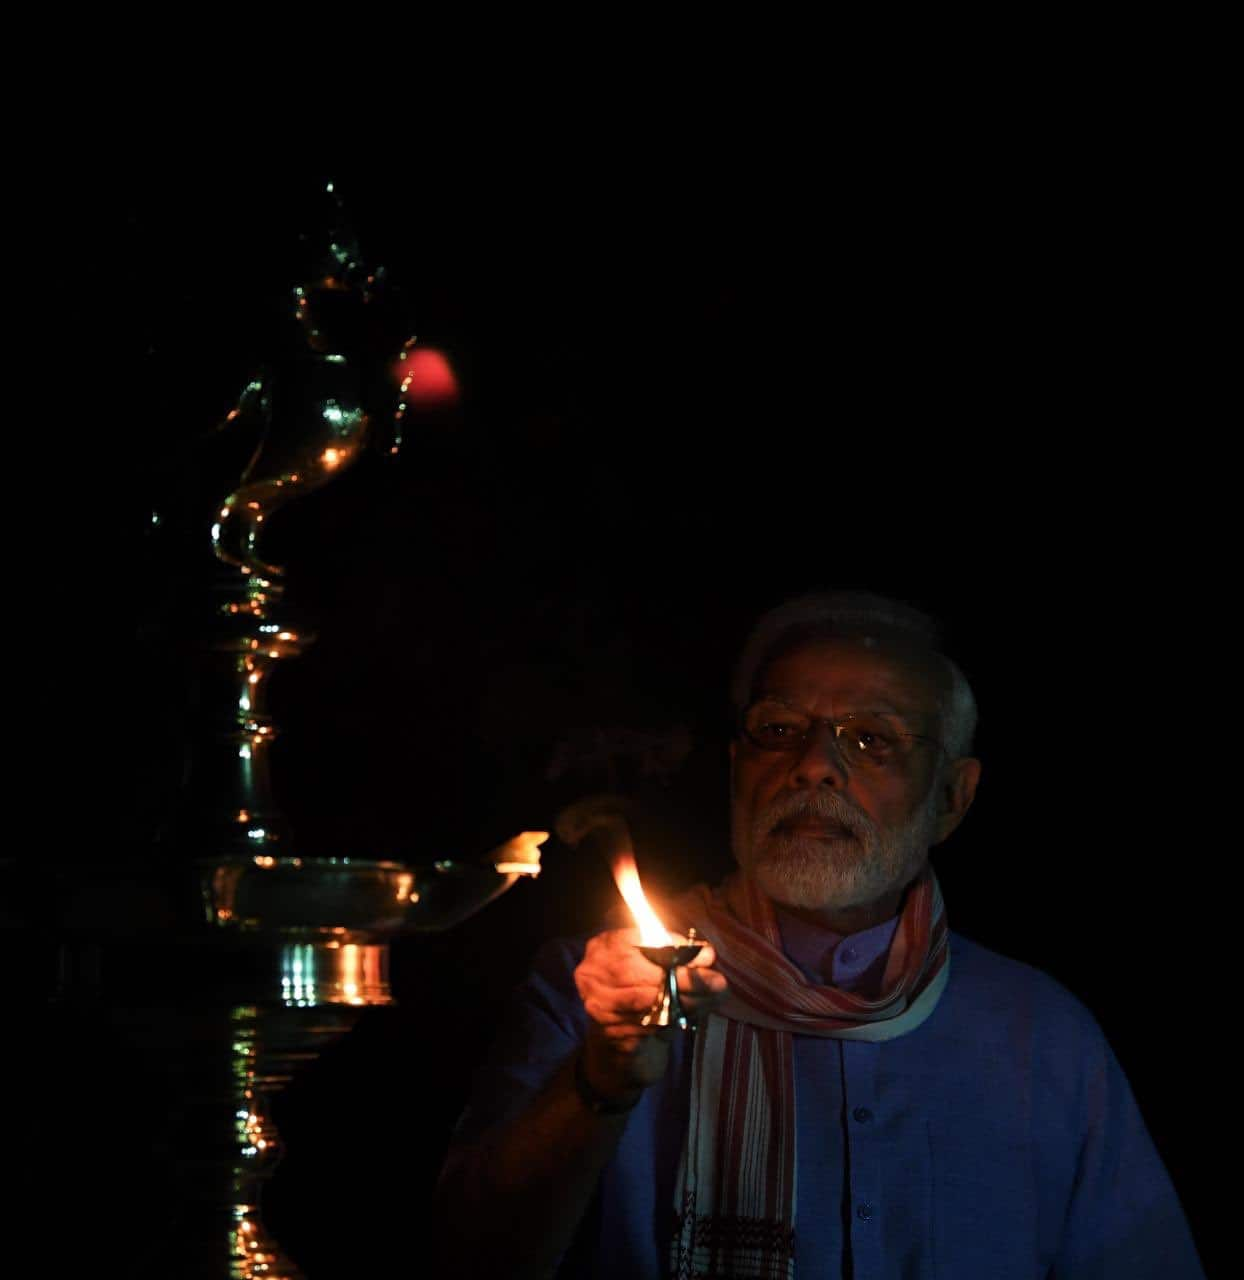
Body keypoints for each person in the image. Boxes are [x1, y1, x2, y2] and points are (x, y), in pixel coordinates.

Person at [432, 591, 1204, 1279]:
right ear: (738, 770)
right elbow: (464, 1258)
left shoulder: (1042, 1035)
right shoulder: (594, 994)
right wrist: (599, 1083)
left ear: (951, 800)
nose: (813, 767)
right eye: (778, 730)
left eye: (872, 739)